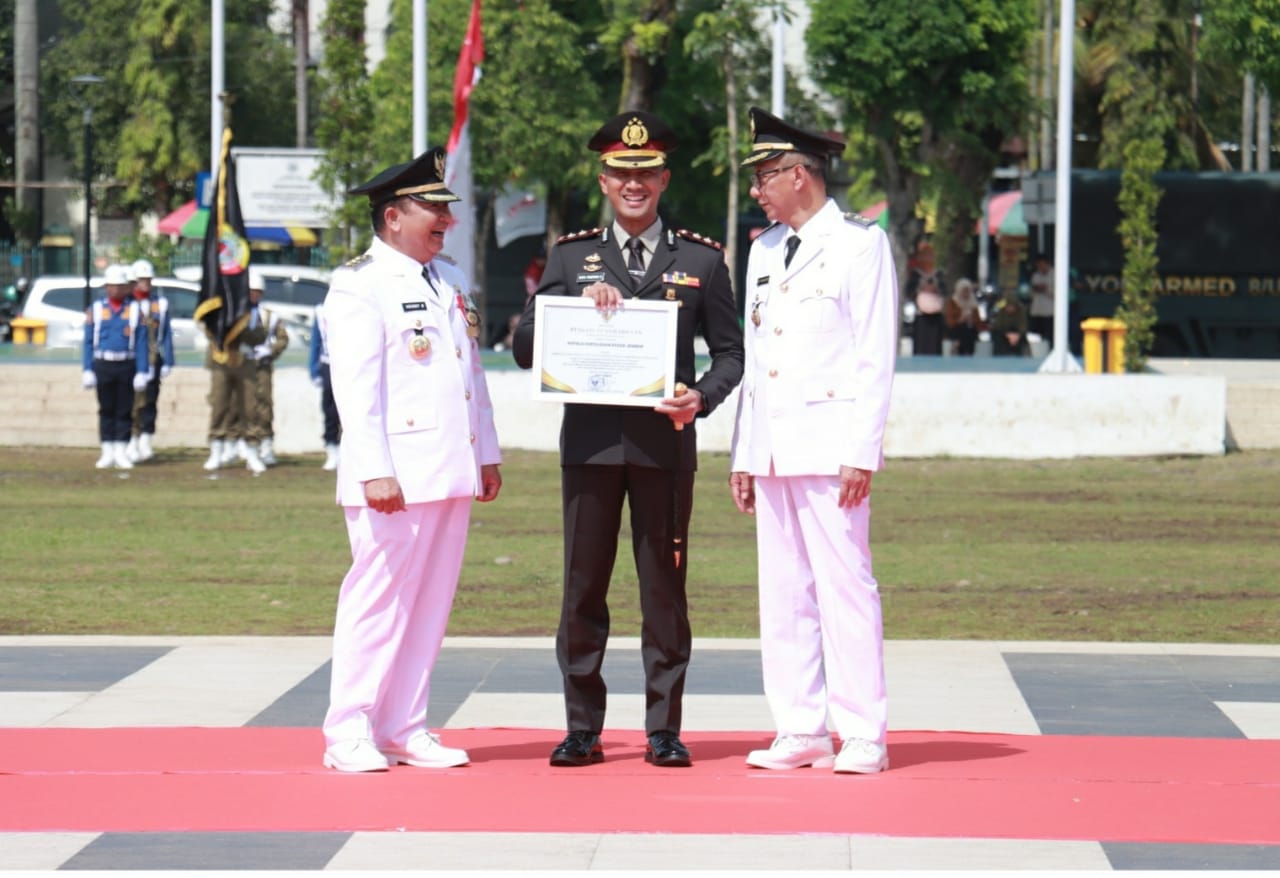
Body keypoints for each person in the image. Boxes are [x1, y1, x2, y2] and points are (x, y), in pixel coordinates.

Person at [512, 110, 744, 769]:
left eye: (645, 173)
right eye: (621, 173)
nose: (633, 183)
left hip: (664, 449)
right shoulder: (568, 256)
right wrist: (567, 306)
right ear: (603, 180)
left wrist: (700, 396)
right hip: (588, 448)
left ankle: (663, 728)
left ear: (664, 178)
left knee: (664, 591)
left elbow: (731, 353)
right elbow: (527, 350)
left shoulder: (701, 259)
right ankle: (582, 727)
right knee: (582, 589)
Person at [321, 147, 502, 773]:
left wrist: (488, 453)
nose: (445, 220)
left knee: (428, 604)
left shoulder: (447, 280)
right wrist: (374, 469)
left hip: (449, 469)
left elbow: (468, 376)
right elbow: (356, 388)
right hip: (394, 474)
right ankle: (349, 729)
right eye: (434, 209)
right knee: (376, 601)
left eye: (446, 210)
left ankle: (403, 724)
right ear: (394, 216)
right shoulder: (358, 284)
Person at [729, 107, 898, 775]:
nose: (757, 189)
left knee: (845, 585)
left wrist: (862, 450)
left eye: (765, 176)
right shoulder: (765, 250)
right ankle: (799, 726)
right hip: (773, 447)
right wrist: (745, 453)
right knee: (783, 590)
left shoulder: (860, 244)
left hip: (831, 446)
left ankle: (862, 731)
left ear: (800, 175)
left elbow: (873, 354)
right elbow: (756, 358)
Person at [82, 264, 150, 470]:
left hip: (126, 363)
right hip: (103, 363)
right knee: (106, 409)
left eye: (120, 286)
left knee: (124, 408)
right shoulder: (95, 309)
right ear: (106, 287)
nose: (116, 290)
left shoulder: (135, 310)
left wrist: (141, 370)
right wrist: (87, 369)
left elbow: (141, 342)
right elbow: (87, 341)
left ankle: (121, 449)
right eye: (112, 286)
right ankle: (107, 450)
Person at [201, 282, 266, 475]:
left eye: (257, 292)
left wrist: (241, 326)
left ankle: (252, 450)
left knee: (249, 407)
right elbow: (210, 330)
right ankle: (216, 449)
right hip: (221, 360)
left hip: (245, 361)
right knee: (220, 405)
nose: (253, 295)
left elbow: (260, 337)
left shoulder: (253, 313)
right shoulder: (220, 307)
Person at [126, 259, 173, 463]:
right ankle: (131, 439)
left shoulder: (160, 304)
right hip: (133, 358)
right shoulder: (129, 305)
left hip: (153, 358)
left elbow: (167, 333)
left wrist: (169, 360)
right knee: (131, 401)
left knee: (150, 400)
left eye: (148, 279)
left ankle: (146, 438)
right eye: (141, 280)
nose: (145, 283)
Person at [243, 270, 289, 466]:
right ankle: (249, 445)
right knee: (247, 405)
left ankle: (267, 444)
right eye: (251, 291)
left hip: (263, 365)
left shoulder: (269, 315)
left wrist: (269, 350)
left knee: (265, 404)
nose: (254, 295)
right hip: (244, 365)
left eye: (257, 292)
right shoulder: (239, 315)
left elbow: (283, 338)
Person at [308, 300, 341, 471]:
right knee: (329, 410)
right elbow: (316, 341)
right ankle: (332, 448)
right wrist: (313, 368)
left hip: (351, 364)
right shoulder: (321, 310)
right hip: (328, 364)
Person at [910, 271, 945, 355]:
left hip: (935, 321)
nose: (929, 286)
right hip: (922, 321)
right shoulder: (919, 295)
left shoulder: (938, 296)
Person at [944, 277, 981, 356]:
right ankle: (956, 348)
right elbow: (949, 320)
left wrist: (971, 320)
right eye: (963, 291)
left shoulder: (973, 303)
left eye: (967, 291)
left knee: (969, 333)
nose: (965, 294)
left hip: (970, 330)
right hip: (956, 329)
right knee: (960, 331)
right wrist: (960, 319)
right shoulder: (953, 302)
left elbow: (978, 321)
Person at [990, 288, 1030, 356]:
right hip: (1002, 331)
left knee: (1023, 339)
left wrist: (1018, 335)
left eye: (1012, 306)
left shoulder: (1021, 309)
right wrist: (1007, 334)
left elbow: (1023, 325)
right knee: (997, 337)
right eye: (1008, 306)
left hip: (1016, 332)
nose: (1010, 309)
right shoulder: (999, 307)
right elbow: (997, 324)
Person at [1028, 254, 1054, 341]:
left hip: (1050, 312)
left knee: (1050, 336)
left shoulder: (1055, 274)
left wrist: (1044, 289)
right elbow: (1032, 290)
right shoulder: (1036, 275)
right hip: (1037, 311)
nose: (1040, 267)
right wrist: (1038, 288)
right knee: (1036, 336)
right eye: (1038, 265)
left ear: (1047, 264)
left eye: (1042, 264)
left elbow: (1055, 294)